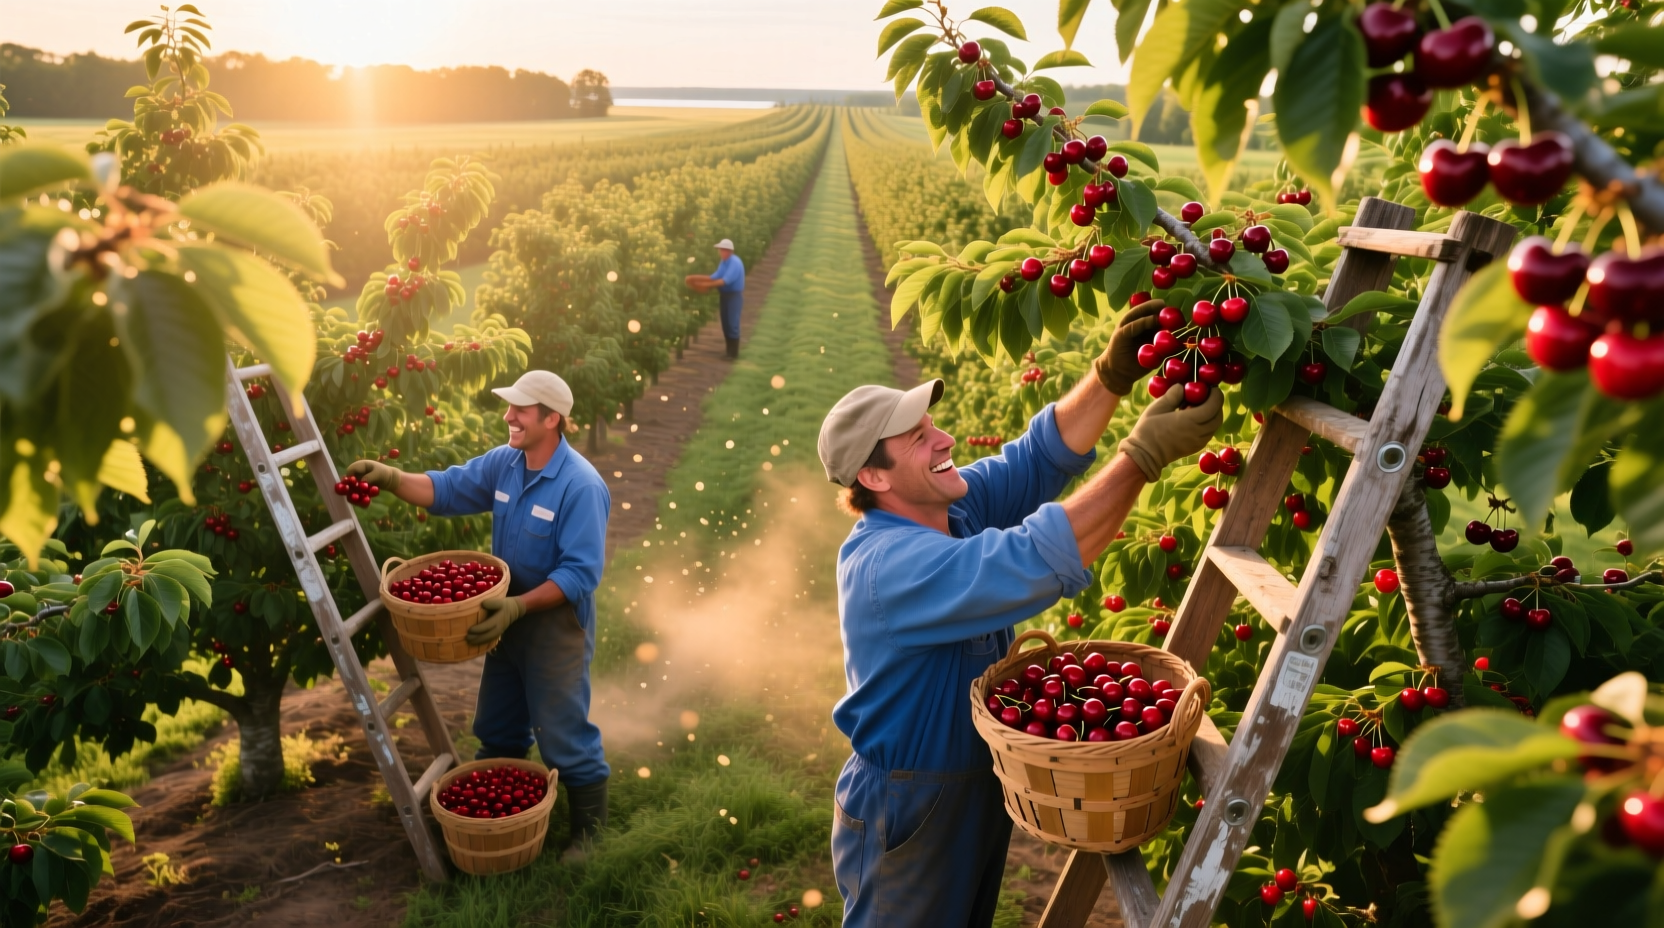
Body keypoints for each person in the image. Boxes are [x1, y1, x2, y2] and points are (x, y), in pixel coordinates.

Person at [815, 301, 1222, 927]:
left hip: (973, 787)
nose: (944, 438)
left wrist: (1110, 376)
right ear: (875, 475)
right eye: (919, 439)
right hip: (908, 801)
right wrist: (1141, 456)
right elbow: (1038, 554)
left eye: (934, 424)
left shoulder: (949, 509)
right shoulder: (889, 566)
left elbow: (1034, 459)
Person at [345, 369, 613, 861]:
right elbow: (446, 489)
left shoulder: (580, 487)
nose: (509, 416)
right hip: (503, 624)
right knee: (497, 727)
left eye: (521, 410)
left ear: (552, 419)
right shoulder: (505, 464)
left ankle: (589, 832)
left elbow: (579, 575)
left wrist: (517, 606)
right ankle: (494, 823)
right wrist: (391, 478)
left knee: (562, 734)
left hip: (553, 628)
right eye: (509, 407)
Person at [684, 238, 745, 359]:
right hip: (725, 296)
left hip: (733, 296)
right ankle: (729, 352)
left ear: (729, 251)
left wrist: (703, 286)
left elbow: (723, 281)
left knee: (732, 323)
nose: (721, 252)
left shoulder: (734, 263)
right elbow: (714, 277)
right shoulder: (724, 262)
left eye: (723, 250)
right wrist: (693, 278)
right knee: (726, 323)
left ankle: (734, 354)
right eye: (720, 250)